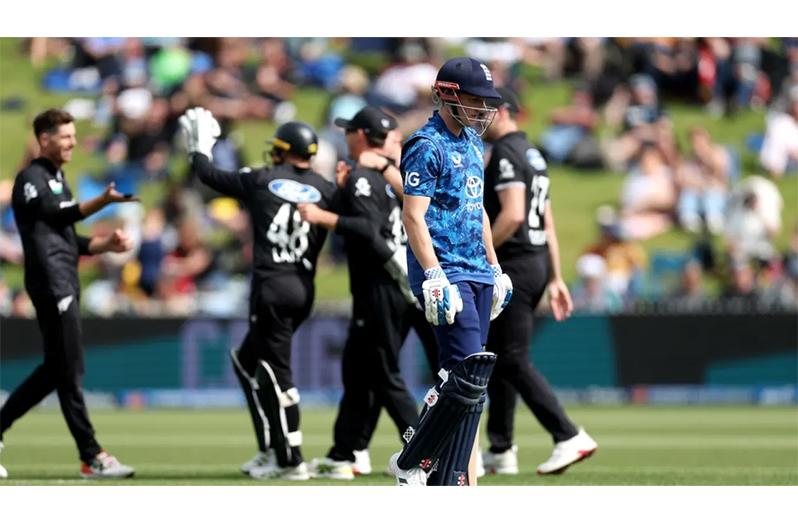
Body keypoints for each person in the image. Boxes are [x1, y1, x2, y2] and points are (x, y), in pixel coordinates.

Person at [179, 108, 336, 481]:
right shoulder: (327, 188)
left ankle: (291, 459)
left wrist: (198, 146)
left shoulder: (261, 178)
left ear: (281, 150)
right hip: (303, 287)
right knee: (247, 361)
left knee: (277, 373)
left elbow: (206, 175)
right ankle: (271, 448)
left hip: (271, 286)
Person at [387, 57, 514, 487]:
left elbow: (476, 211)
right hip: (446, 272)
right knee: (465, 376)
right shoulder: (426, 144)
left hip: (476, 269)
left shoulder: (474, 144)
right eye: (476, 100)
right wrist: (433, 275)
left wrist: (496, 268)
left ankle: (452, 476)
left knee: (466, 381)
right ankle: (414, 459)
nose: (484, 110)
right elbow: (413, 217)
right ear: (448, 95)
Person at [297, 106, 439, 480]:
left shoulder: (363, 176)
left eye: (348, 132)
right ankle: (346, 451)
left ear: (359, 136)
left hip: (382, 285)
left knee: (381, 370)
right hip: (398, 282)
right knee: (358, 369)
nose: (344, 137)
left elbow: (366, 228)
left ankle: (421, 449)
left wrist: (323, 215)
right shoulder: (386, 177)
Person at [0, 109, 139, 480]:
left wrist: (105, 244)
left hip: (64, 278)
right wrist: (104, 202)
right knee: (69, 370)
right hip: (50, 281)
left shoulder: (57, 178)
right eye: (65, 136)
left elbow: (65, 238)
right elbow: (57, 216)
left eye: (74, 135)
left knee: (57, 370)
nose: (73, 142)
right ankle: (91, 455)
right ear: (44, 139)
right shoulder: (30, 178)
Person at [481, 87, 598, 477]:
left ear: (502, 113)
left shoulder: (505, 155)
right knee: (499, 355)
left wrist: (480, 252)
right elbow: (546, 221)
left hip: (514, 263)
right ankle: (500, 447)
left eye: (484, 111)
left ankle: (567, 435)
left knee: (512, 358)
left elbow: (513, 215)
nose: (478, 119)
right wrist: (557, 276)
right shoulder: (534, 155)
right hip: (535, 263)